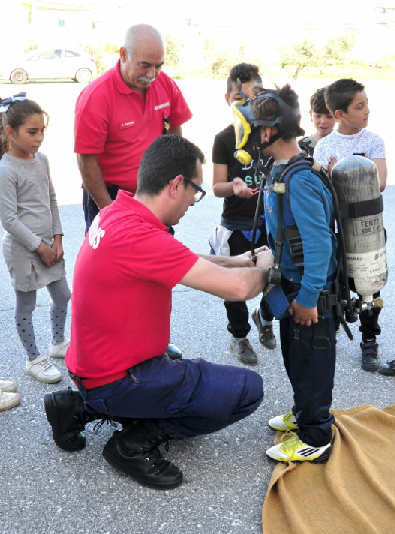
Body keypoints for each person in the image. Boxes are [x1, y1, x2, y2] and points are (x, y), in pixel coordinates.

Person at [45, 134, 274, 490]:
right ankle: (134, 443)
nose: (194, 203)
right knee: (247, 389)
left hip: (92, 365)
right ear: (176, 184)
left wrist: (238, 259)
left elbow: (180, 258)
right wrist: (267, 267)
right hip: (116, 378)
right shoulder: (140, 238)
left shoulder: (117, 213)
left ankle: (77, 407)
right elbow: (240, 289)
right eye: (195, 192)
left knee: (176, 359)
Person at [74, 23, 192, 361]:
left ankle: (152, 346)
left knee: (157, 276)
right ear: (123, 55)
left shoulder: (163, 84)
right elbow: (87, 160)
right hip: (110, 194)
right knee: (112, 280)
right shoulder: (95, 96)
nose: (153, 74)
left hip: (153, 194)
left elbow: (177, 128)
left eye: (159, 66)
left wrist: (176, 181)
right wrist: (108, 209)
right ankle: (110, 352)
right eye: (145, 65)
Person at [242, 84, 338, 462]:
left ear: (266, 132)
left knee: (312, 363)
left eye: (249, 128)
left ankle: (316, 435)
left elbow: (320, 246)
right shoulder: (282, 169)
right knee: (296, 358)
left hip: (309, 294)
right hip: (293, 285)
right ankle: (304, 415)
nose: (245, 136)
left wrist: (310, 297)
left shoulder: (298, 180)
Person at [314, 79, 387, 372]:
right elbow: (321, 189)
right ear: (340, 114)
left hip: (369, 228)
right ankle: (328, 335)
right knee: (336, 283)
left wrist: (339, 171)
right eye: (360, 106)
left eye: (366, 103)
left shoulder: (373, 140)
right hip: (339, 229)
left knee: (371, 286)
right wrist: (352, 169)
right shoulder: (324, 145)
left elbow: (379, 182)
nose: (367, 110)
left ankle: (369, 341)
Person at [0, 94, 71, 383]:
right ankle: (33, 358)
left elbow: (52, 200)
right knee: (26, 305)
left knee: (63, 295)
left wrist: (57, 238)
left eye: (42, 130)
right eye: (32, 132)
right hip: (24, 250)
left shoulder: (42, 160)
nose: (39, 137)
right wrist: (40, 247)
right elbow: (9, 219)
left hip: (49, 247)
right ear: (10, 132)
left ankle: (58, 343)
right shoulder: (6, 170)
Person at [211, 63, 276, 366]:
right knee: (234, 286)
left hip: (271, 222)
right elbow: (216, 186)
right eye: (238, 100)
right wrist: (233, 186)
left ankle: (264, 315)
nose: (245, 107)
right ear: (227, 100)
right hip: (237, 225)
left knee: (275, 278)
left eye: (251, 99)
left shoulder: (270, 137)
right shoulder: (224, 139)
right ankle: (239, 335)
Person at [298, 87, 336, 156]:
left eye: (329, 116)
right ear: (311, 115)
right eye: (318, 116)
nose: (323, 121)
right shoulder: (302, 146)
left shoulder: (343, 144)